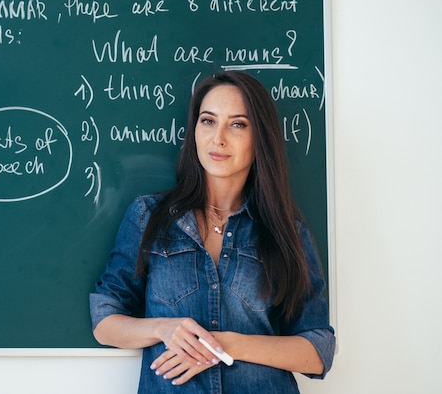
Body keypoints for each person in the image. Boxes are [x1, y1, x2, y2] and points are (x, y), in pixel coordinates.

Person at [89, 71, 335, 393]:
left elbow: (319, 351)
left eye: (238, 124)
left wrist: (225, 345)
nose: (218, 138)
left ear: (259, 137)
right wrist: (165, 329)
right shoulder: (149, 216)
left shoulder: (286, 231)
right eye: (208, 121)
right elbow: (105, 321)